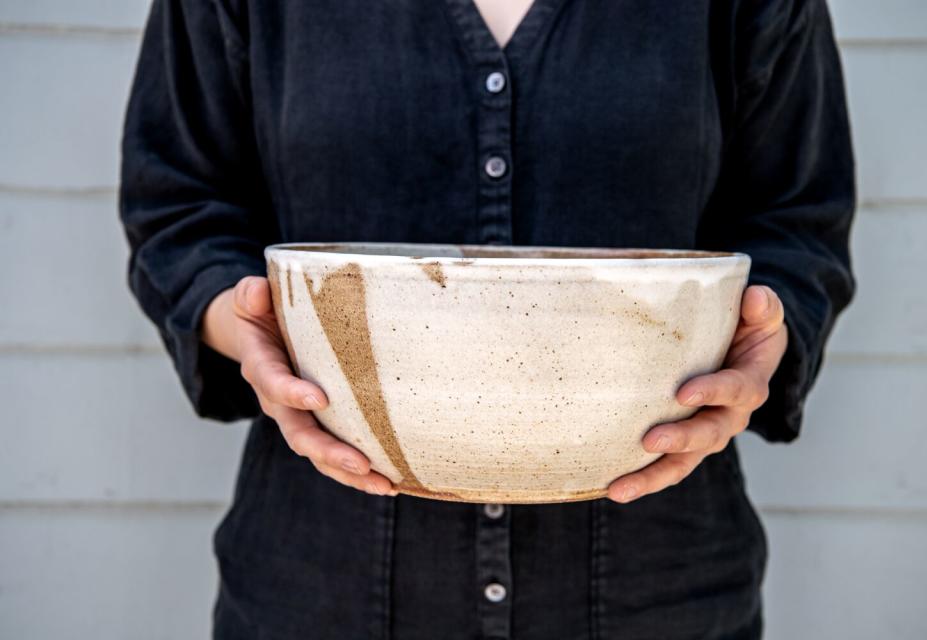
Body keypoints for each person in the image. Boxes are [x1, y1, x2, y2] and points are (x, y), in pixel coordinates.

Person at [118, 0, 856, 637]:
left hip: (657, 587)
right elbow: (178, 205)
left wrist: (765, 337)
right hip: (322, 581)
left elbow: (796, 220)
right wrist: (238, 321)